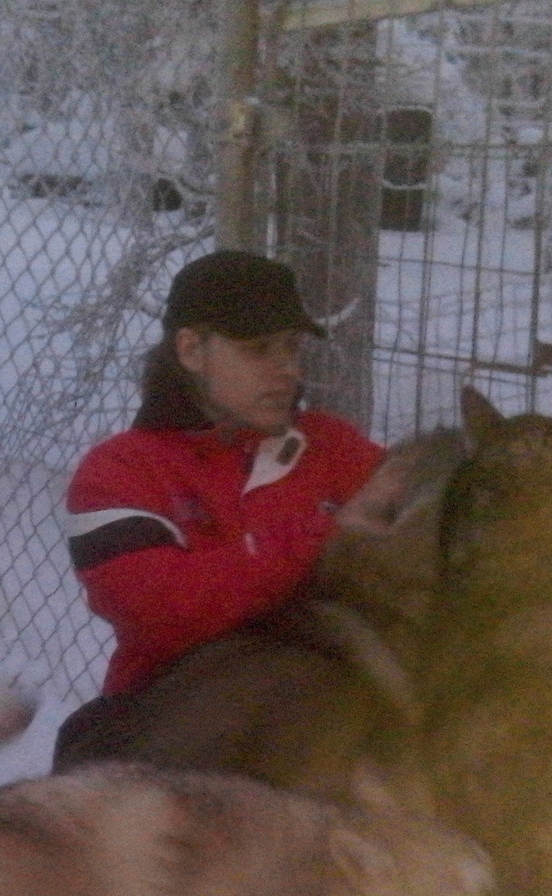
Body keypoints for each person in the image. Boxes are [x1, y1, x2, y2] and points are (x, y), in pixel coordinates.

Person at [54, 249, 382, 764]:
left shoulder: (335, 447)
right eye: (258, 350)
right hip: (172, 734)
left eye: (292, 348)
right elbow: (163, 610)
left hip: (331, 735)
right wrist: (330, 533)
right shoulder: (122, 470)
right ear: (190, 349)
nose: (286, 371)